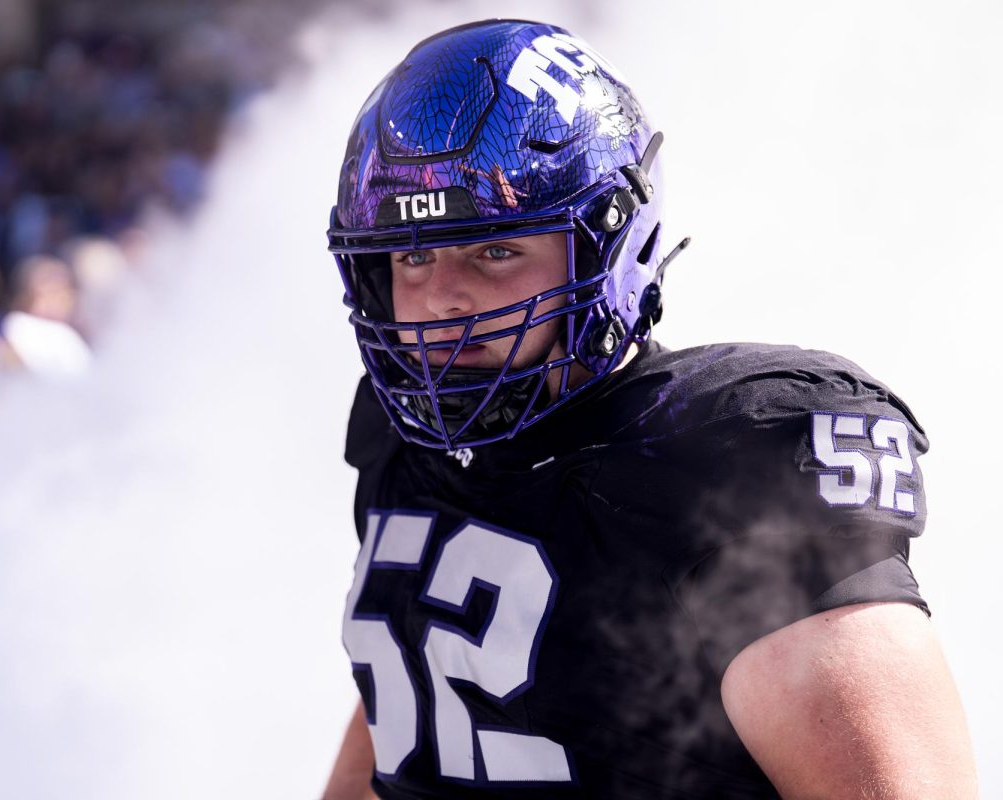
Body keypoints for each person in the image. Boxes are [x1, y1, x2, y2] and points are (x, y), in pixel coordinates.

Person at [321, 19, 976, 800]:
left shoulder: (723, 459)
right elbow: (424, 688)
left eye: (495, 251)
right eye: (413, 256)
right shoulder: (407, 448)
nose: (441, 300)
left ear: (607, 248)